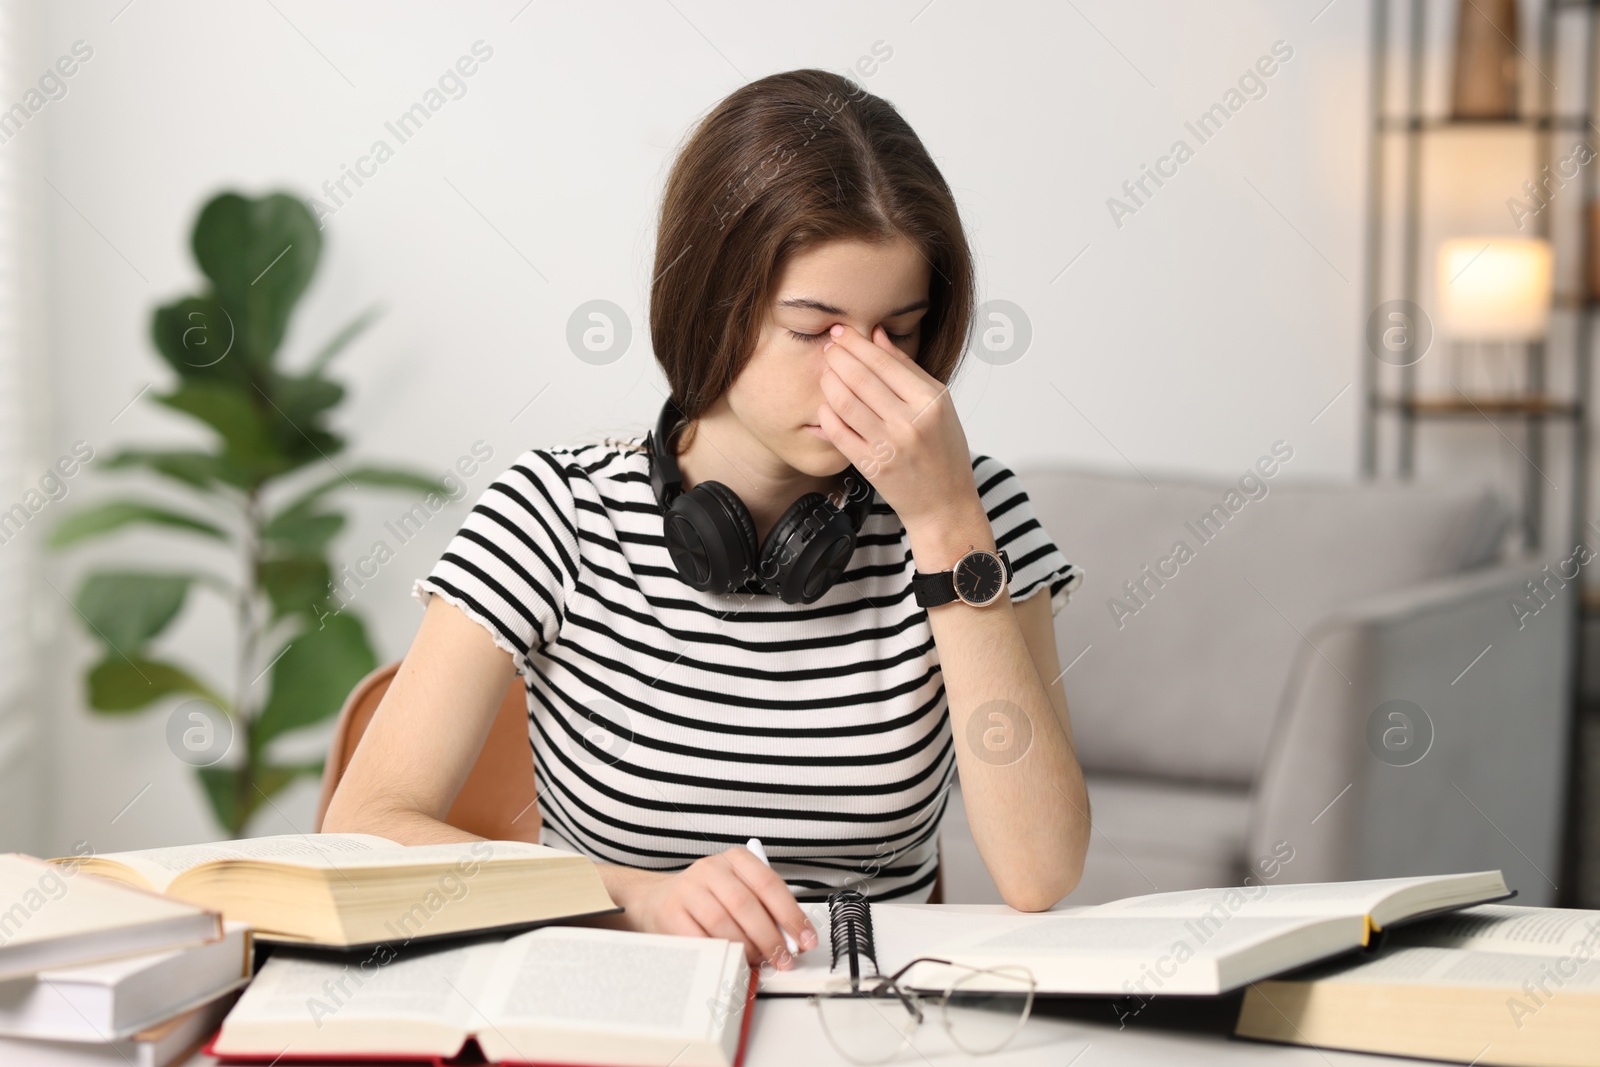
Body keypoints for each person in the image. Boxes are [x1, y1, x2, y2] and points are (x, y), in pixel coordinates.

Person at [323, 68, 1091, 973]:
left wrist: (949, 526)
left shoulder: (973, 515)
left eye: (902, 331)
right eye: (815, 330)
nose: (867, 377)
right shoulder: (553, 513)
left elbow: (1041, 873)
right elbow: (364, 831)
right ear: (713, 303)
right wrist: (633, 896)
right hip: (618, 998)